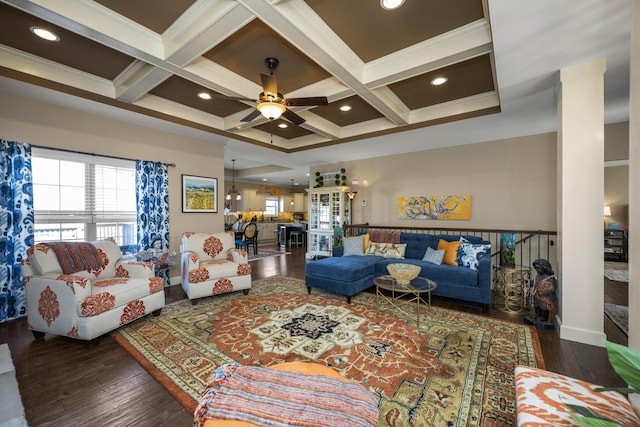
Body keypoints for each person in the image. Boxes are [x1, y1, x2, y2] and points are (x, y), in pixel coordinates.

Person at [524, 258, 557, 328]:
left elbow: (551, 289)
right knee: (537, 304)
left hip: (545, 297)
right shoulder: (538, 276)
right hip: (537, 294)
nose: (537, 270)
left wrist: (542, 293)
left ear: (545, 268)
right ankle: (537, 314)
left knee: (543, 306)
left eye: (538, 268)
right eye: (536, 268)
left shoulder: (550, 278)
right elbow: (536, 284)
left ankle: (544, 317)